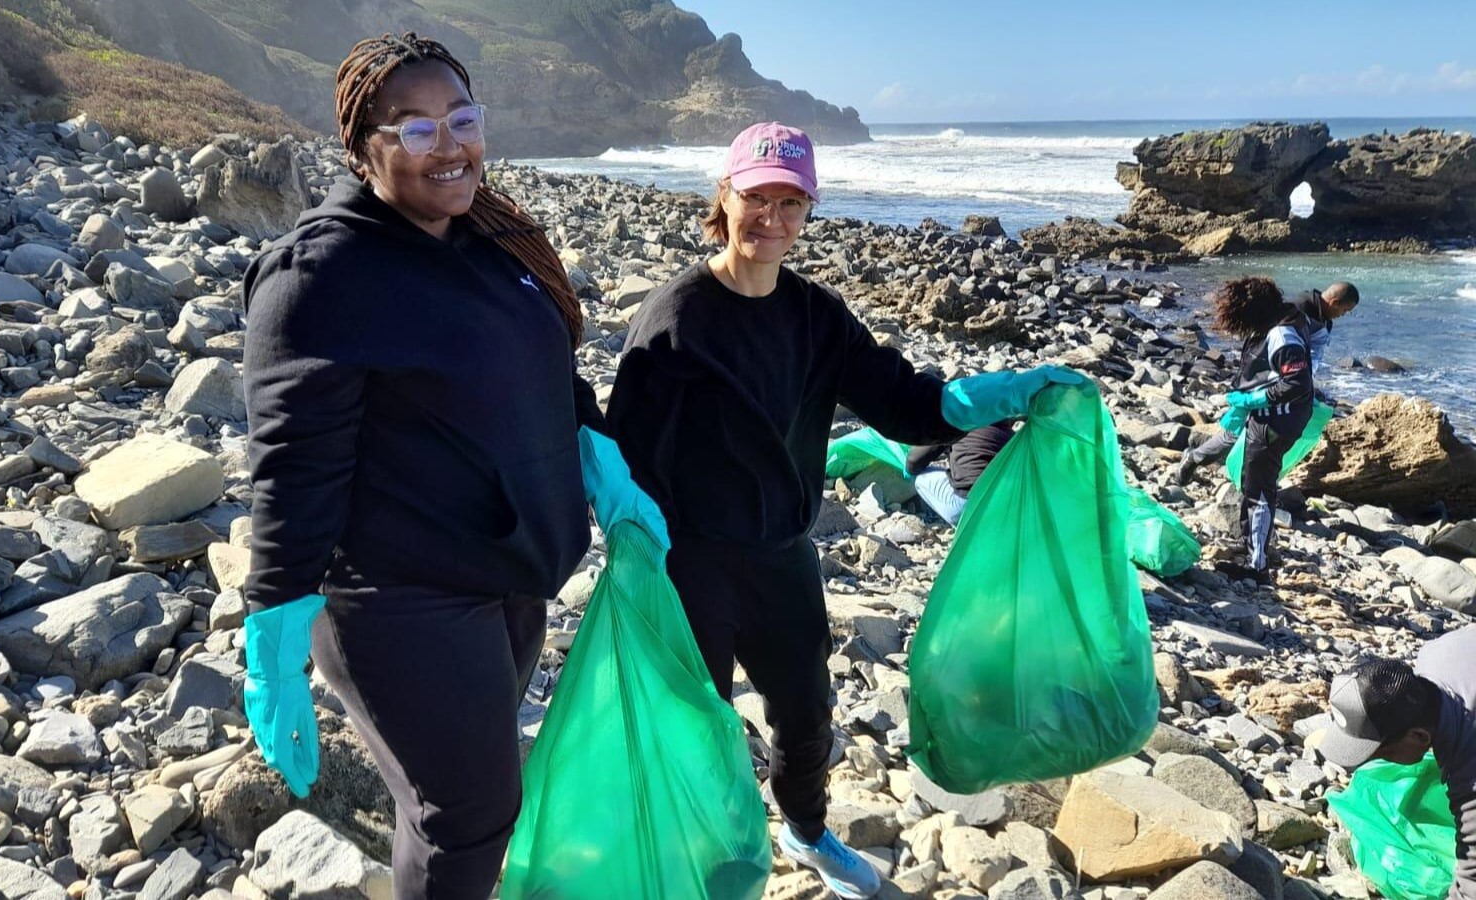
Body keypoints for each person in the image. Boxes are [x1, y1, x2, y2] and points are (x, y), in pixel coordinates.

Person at [606, 121, 1082, 899]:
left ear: (809, 210)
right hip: (692, 558)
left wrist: (1003, 392)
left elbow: (906, 404)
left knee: (806, 717)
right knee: (698, 721)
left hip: (784, 554)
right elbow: (622, 447)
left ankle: (806, 832)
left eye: (792, 203)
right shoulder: (676, 318)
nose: (773, 219)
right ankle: (699, 856)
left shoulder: (816, 316)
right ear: (723, 198)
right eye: (757, 198)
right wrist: (632, 547)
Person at [240, 33, 665, 899]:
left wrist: (599, 456)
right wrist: (273, 635)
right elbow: (293, 468)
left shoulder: (489, 244)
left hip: (508, 578)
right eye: (417, 129)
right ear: (365, 148)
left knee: (450, 801)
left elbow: (544, 374)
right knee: (466, 815)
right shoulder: (320, 275)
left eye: (462, 119)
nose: (452, 146)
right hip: (400, 598)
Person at [1318, 625, 1475, 899]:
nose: (1375, 764)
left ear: (1419, 735)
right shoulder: (1434, 654)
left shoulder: (1470, 770)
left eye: (1382, 754)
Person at [1188, 276, 1320, 584]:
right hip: (1272, 417)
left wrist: (1253, 399)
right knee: (1252, 480)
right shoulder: (1285, 318)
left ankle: (1257, 566)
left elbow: (1296, 384)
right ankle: (1251, 546)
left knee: (1259, 488)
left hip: (1276, 421)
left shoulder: (1282, 335)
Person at [1175, 280, 1359, 485]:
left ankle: (1244, 477)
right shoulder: (1300, 308)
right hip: (1266, 378)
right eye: (1345, 310)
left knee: (1251, 433)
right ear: (1334, 302)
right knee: (1241, 431)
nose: (1345, 315)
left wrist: (1303, 379)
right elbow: (1268, 345)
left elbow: (1308, 354)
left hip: (1285, 380)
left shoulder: (1323, 319)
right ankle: (1200, 460)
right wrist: (1265, 389)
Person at [905, 423, 1014, 527]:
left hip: (967, 507)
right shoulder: (1010, 435)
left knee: (921, 479)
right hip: (1002, 508)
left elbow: (913, 461)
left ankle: (964, 530)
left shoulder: (959, 423)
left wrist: (908, 469)